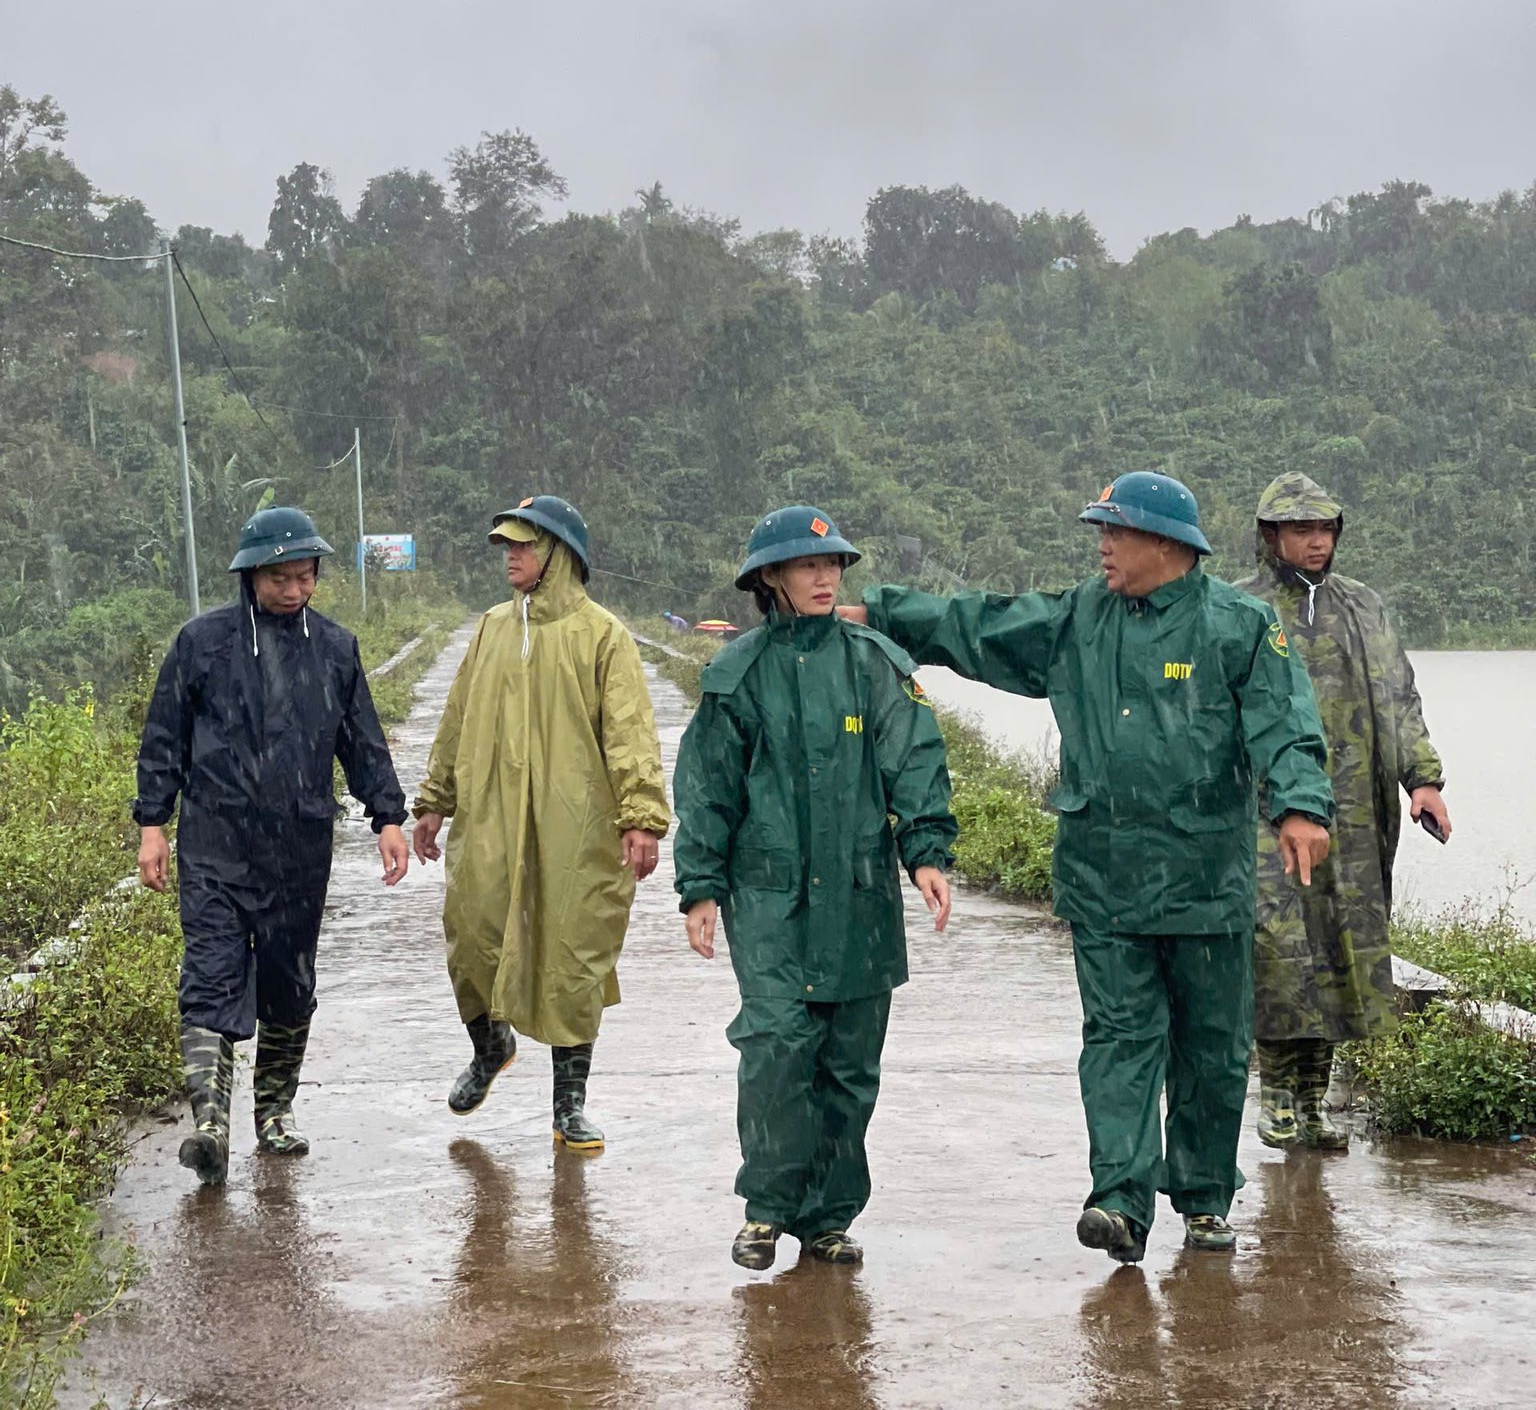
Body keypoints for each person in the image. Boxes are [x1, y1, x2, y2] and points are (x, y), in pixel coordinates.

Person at [842, 472, 1335, 1263]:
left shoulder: (1237, 626)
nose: (1102, 546)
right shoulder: (1079, 618)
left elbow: (1285, 722)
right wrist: (883, 613)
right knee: (1118, 1039)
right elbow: (983, 625)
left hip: (1206, 881)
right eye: (1099, 532)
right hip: (1103, 878)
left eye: (1116, 532)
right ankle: (1119, 1200)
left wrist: (1301, 804)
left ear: (1167, 544)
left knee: (1210, 1047)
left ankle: (1205, 1199)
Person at [673, 506, 956, 1271]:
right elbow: (707, 790)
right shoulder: (739, 675)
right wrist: (700, 887)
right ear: (771, 578)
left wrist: (926, 852)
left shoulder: (876, 664)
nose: (825, 577)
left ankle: (829, 1218)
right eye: (807, 566)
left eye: (833, 565)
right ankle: (765, 1211)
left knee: (848, 1060)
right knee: (776, 1047)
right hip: (768, 898)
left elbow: (916, 761)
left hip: (862, 894)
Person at [134, 506, 409, 1186]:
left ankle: (274, 1114)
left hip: (299, 847)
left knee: (289, 985)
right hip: (215, 844)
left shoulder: (336, 650)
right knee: (210, 977)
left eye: (304, 577)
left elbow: (362, 742)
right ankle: (210, 1125)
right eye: (279, 578)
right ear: (250, 574)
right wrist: (151, 823)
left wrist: (389, 817)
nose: (293, 590)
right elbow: (164, 735)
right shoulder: (203, 644)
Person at [411, 495, 669, 1152]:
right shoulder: (493, 629)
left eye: (525, 545)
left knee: (573, 955)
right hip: (491, 816)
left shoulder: (602, 636)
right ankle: (489, 1046)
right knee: (471, 936)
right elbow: (457, 719)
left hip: (577, 824)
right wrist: (434, 800)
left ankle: (569, 1105)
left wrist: (640, 816)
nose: (512, 557)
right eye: (508, 546)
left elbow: (631, 734)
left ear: (559, 554)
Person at [1236, 473, 1451, 1150]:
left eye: (1325, 530)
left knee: (1340, 948)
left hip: (1355, 811)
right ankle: (1275, 1097)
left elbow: (1400, 699)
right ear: (1271, 536)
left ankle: (1313, 1103)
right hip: (1264, 811)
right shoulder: (1239, 609)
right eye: (1301, 530)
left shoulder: (1365, 609)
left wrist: (1422, 779)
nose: (1316, 542)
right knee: (1277, 946)